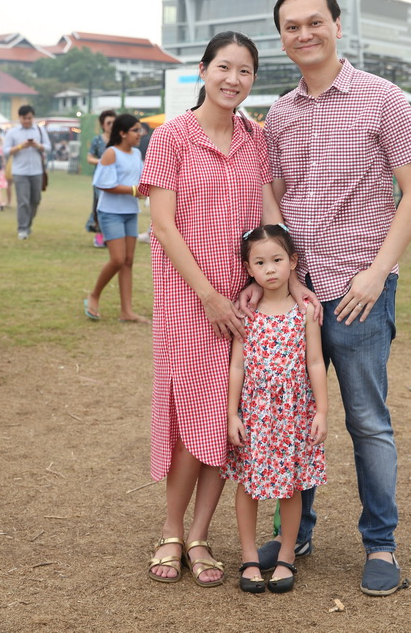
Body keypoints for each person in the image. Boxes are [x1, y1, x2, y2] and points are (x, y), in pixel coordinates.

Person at [247, 0, 411, 597]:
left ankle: (381, 544)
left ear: (337, 26)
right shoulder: (280, 113)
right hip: (297, 295)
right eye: (291, 26)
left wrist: (377, 273)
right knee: (293, 413)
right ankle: (294, 535)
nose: (304, 34)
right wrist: (287, 276)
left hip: (359, 293)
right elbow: (273, 194)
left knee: (366, 421)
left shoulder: (383, 98)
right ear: (282, 38)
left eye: (314, 22)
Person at [139, 31, 318, 588]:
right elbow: (163, 226)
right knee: (190, 419)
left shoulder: (255, 138)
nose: (232, 79)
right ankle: (171, 531)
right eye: (223, 67)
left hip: (244, 302)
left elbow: (270, 217)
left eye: (244, 71)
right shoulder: (171, 137)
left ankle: (199, 536)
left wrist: (292, 281)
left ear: (253, 80)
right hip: (187, 301)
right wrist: (208, 295)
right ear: (203, 70)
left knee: (225, 422)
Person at [222, 224, 327, 594]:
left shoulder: (305, 311)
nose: (269, 269)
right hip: (255, 415)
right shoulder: (246, 312)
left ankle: (286, 555)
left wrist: (322, 411)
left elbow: (315, 362)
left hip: (292, 415)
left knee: (291, 486)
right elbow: (237, 365)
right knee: (248, 484)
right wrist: (232, 414)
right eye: (260, 262)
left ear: (293, 262)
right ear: (248, 269)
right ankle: (250, 556)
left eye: (277, 260)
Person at [84, 114, 145, 322]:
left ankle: (126, 312)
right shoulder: (111, 153)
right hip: (110, 213)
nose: (140, 134)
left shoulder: (137, 154)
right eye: (135, 130)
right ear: (122, 133)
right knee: (118, 259)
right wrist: (134, 190)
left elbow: (141, 181)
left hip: (130, 212)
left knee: (128, 261)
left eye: (140, 130)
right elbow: (103, 183)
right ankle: (94, 295)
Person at [3, 106, 51, 240]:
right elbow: (5, 151)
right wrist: (20, 147)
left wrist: (38, 146)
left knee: (35, 200)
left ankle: (28, 224)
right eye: (24, 118)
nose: (27, 121)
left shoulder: (40, 130)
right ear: (20, 118)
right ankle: (22, 228)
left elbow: (48, 147)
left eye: (29, 118)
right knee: (23, 201)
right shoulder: (12, 132)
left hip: (37, 171)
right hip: (20, 171)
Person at [85, 109, 117, 248]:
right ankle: (99, 233)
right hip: (100, 179)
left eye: (114, 122)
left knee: (114, 206)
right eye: (109, 123)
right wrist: (102, 162)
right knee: (99, 205)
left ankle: (112, 235)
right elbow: (89, 158)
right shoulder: (97, 140)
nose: (112, 125)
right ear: (103, 125)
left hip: (117, 178)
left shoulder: (119, 140)